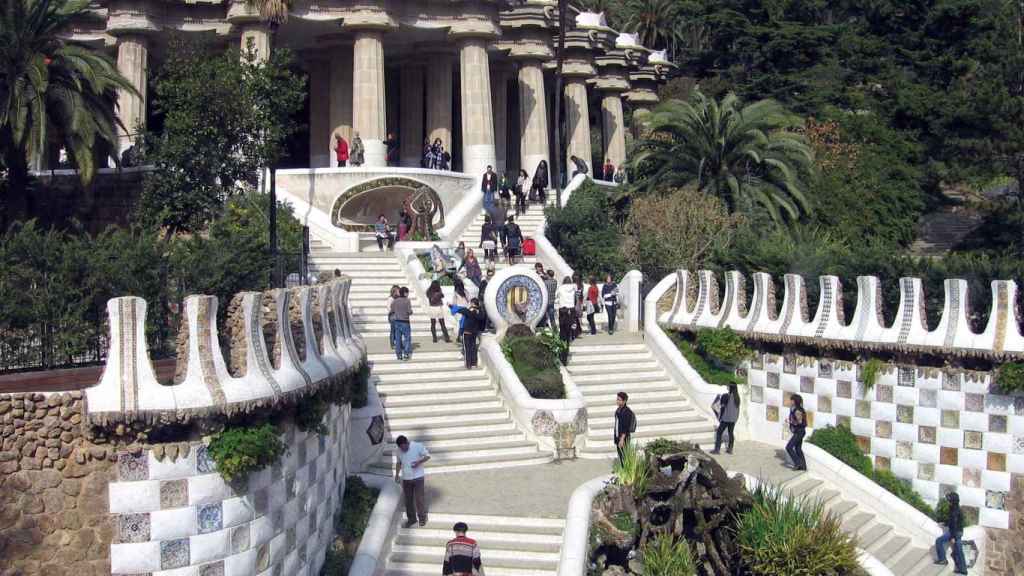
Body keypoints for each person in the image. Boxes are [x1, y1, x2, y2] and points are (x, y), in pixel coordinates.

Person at [393, 435, 430, 528]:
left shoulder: (417, 446)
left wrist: (418, 462)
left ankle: (422, 518)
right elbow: (398, 463)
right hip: (406, 479)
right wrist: (397, 475)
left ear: (407, 442)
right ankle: (412, 519)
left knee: (419, 499)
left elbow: (427, 456)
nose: (403, 449)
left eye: (404, 447)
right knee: (408, 501)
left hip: (418, 478)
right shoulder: (398, 451)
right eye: (401, 448)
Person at [934, 491, 968, 574]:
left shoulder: (955, 510)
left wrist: (953, 537)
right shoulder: (954, 508)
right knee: (958, 550)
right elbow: (951, 521)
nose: (948, 501)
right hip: (957, 531)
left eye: (949, 499)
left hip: (956, 532)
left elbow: (955, 524)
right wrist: (944, 523)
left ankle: (943, 560)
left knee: (939, 541)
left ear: (953, 501)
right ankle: (962, 569)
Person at [450, 298, 486, 369]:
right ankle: (474, 363)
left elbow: (461, 310)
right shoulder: (480, 312)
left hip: (467, 332)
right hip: (475, 332)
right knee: (473, 347)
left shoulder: (469, 310)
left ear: (472, 303)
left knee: (467, 349)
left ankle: (468, 364)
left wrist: (451, 306)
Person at [710, 383, 741, 454]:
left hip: (726, 418)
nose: (727, 387)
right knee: (731, 433)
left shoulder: (726, 396)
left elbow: (722, 407)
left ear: (730, 388)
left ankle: (717, 450)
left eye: (728, 386)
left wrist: (720, 417)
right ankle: (730, 449)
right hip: (733, 419)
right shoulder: (737, 398)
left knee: (719, 432)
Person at [555, 276, 576, 364]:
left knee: (562, 334)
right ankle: (565, 355)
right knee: (568, 335)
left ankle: (562, 356)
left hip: (563, 311)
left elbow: (556, 296)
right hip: (571, 311)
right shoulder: (573, 289)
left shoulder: (560, 288)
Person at [391, 287, 413, 361]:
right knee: (407, 338)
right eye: (407, 292)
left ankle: (399, 355)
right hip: (405, 322)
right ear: (405, 293)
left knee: (398, 339)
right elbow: (409, 311)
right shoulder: (407, 301)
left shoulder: (395, 301)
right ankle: (406, 354)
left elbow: (392, 310)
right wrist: (410, 312)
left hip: (397, 322)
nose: (408, 294)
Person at [786, 393, 807, 470]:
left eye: (791, 400)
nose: (790, 402)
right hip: (800, 431)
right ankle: (803, 466)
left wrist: (791, 421)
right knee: (798, 449)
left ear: (794, 401)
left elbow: (800, 422)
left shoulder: (797, 410)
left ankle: (798, 463)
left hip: (799, 432)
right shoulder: (795, 409)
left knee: (789, 447)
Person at [613, 392, 636, 464]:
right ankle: (622, 470)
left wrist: (622, 439)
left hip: (623, 438)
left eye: (619, 400)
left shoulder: (627, 412)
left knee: (624, 456)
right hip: (618, 436)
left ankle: (625, 472)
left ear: (624, 401)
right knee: (620, 455)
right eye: (617, 399)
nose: (617, 401)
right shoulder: (618, 410)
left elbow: (626, 427)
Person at [452, 278, 470, 343]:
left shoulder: (456, 292)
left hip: (459, 310)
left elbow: (454, 303)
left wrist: (452, 308)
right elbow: (469, 300)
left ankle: (459, 337)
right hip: (465, 309)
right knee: (464, 324)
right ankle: (462, 337)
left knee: (459, 324)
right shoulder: (466, 291)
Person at [386, 285, 400, 350]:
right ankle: (392, 344)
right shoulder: (391, 298)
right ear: (394, 291)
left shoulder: (398, 298)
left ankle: (398, 343)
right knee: (393, 330)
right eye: (398, 291)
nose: (399, 292)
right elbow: (388, 308)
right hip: (393, 316)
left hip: (399, 316)